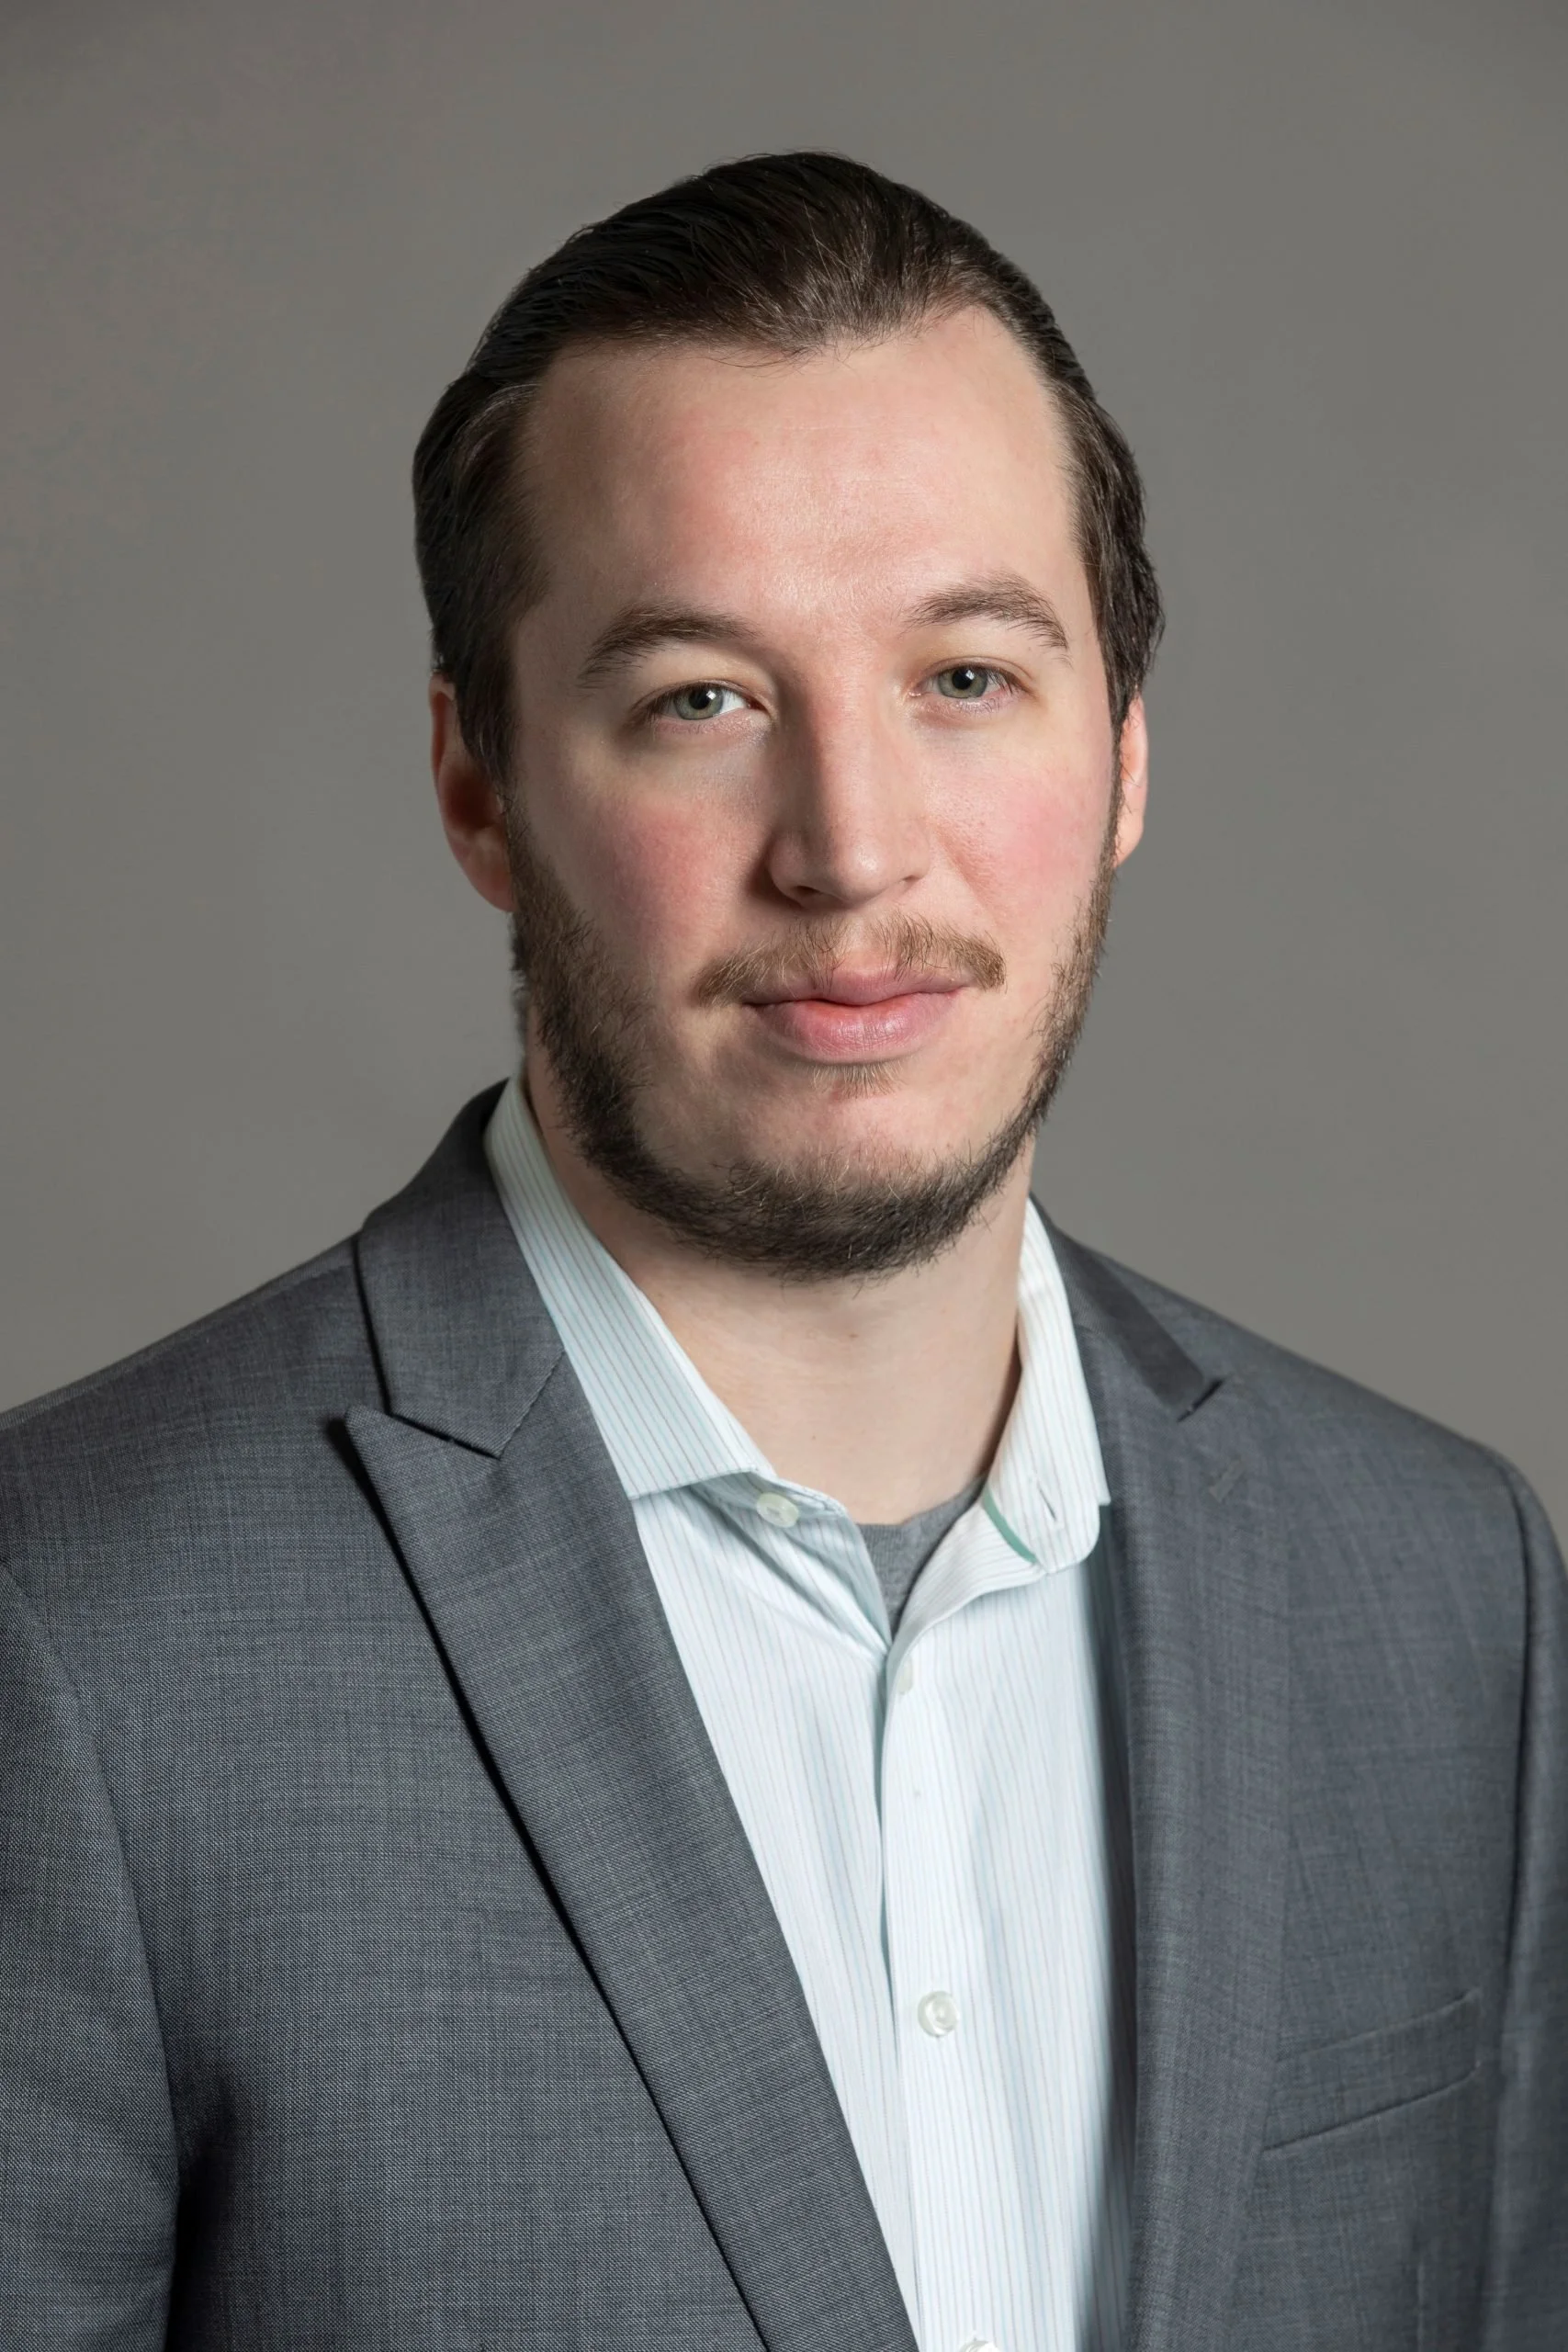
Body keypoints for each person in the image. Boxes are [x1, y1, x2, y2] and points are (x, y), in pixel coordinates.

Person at [1, 152, 1562, 2352]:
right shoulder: (70, 1640)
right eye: (700, 700)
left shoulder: (1440, 1590)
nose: (848, 848)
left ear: (1121, 747)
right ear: (479, 787)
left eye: (965, 673)